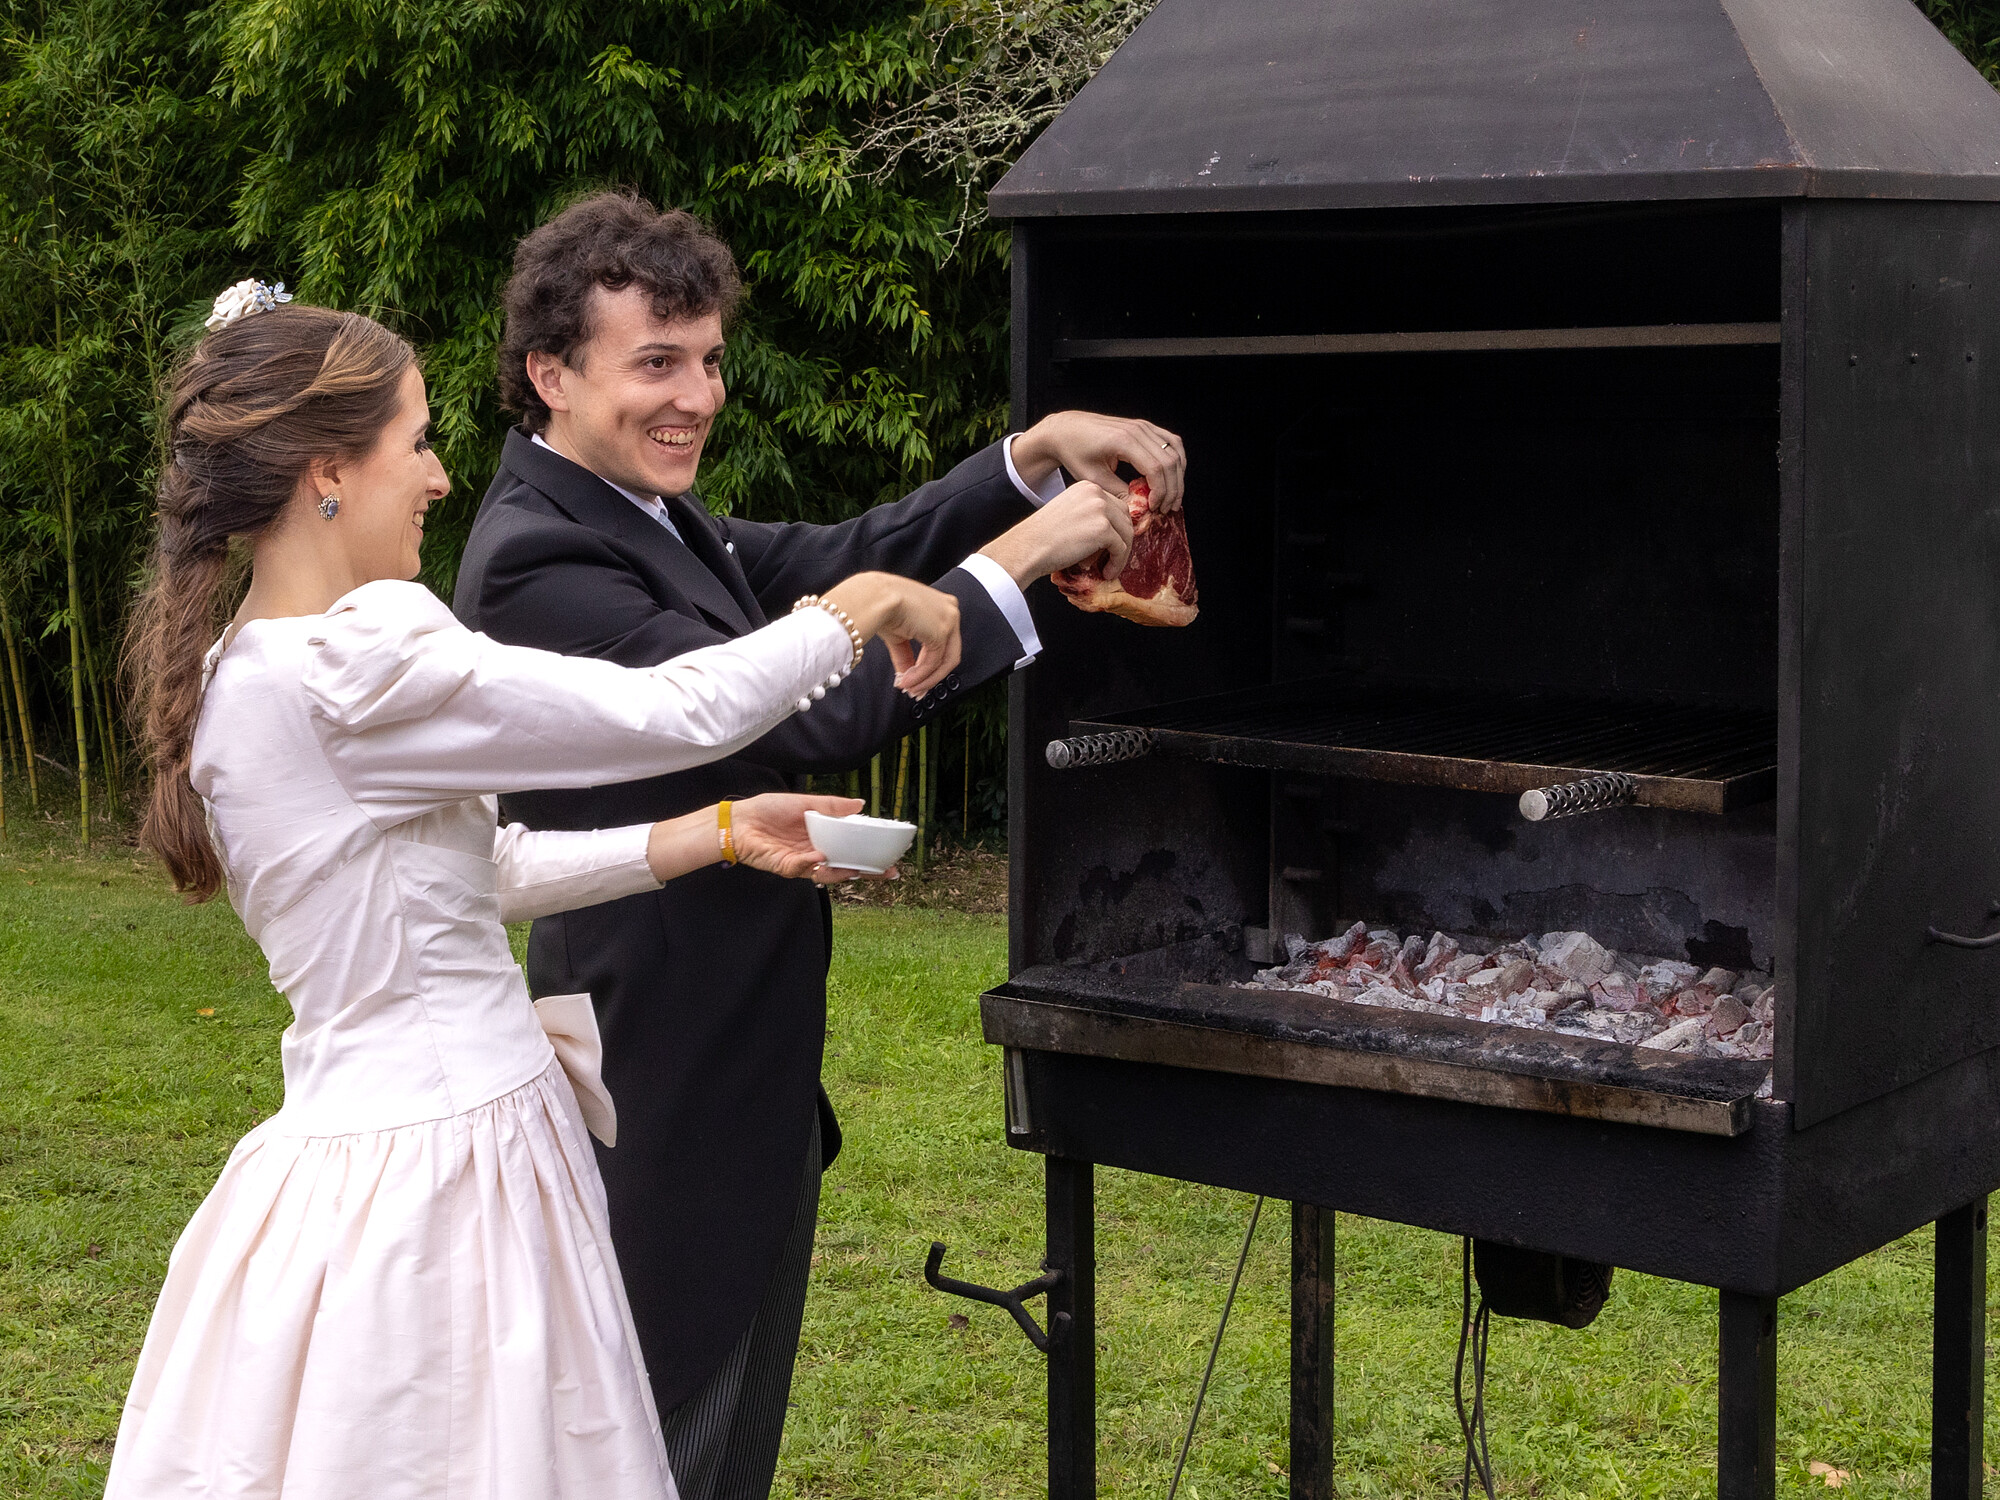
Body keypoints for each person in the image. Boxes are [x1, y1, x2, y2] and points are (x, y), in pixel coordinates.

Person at [107, 285, 966, 1498]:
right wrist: (861, 604)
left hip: (356, 1155)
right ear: (326, 473)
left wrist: (713, 832)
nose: (441, 477)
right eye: (416, 442)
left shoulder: (240, 668)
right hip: (447, 1170)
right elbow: (678, 711)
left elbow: (466, 880)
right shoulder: (358, 662)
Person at [453, 191, 1187, 1499]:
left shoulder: (636, 511)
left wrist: (1023, 458)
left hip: (744, 1068)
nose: (697, 397)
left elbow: (849, 559)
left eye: (709, 360)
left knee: (725, 1441)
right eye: (657, 363)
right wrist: (1031, 550)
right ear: (550, 374)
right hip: (664, 1074)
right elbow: (821, 710)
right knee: (650, 1435)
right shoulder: (538, 560)